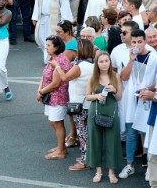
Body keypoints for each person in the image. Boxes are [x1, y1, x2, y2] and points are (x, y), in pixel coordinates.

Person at [119, 29, 157, 179]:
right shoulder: (129, 56)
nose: (136, 44)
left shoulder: (154, 56)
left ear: (145, 41)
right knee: (131, 132)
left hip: (147, 98)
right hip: (131, 99)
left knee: (147, 134)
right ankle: (129, 165)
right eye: (134, 42)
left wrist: (148, 89)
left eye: (139, 41)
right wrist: (131, 60)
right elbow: (124, 77)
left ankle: (149, 167)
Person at [53, 39, 95, 171]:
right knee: (87, 132)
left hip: (80, 105)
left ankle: (84, 161)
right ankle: (89, 157)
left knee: (82, 133)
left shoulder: (80, 66)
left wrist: (57, 66)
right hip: (88, 104)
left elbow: (65, 77)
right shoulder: (91, 64)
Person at [85, 52, 123, 184]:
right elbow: (87, 96)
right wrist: (97, 96)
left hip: (111, 112)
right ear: (97, 63)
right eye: (101, 61)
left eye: (106, 61)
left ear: (110, 62)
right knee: (95, 141)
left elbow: (119, 97)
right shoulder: (92, 78)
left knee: (112, 141)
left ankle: (112, 172)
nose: (104, 63)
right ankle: (98, 171)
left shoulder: (115, 76)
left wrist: (113, 90)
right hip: (95, 112)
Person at [37, 35, 70, 160]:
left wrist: (41, 92)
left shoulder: (59, 61)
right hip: (51, 97)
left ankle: (61, 151)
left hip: (58, 97)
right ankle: (61, 147)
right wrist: (40, 89)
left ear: (56, 47)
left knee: (57, 123)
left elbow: (56, 84)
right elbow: (44, 76)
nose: (46, 47)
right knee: (54, 122)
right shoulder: (53, 58)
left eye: (49, 45)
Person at [32, 0, 74, 64]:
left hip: (54, 19)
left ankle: (51, 60)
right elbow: (37, 3)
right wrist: (35, 17)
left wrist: (65, 20)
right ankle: (48, 56)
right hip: (43, 17)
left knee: (53, 39)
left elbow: (65, 4)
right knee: (41, 38)